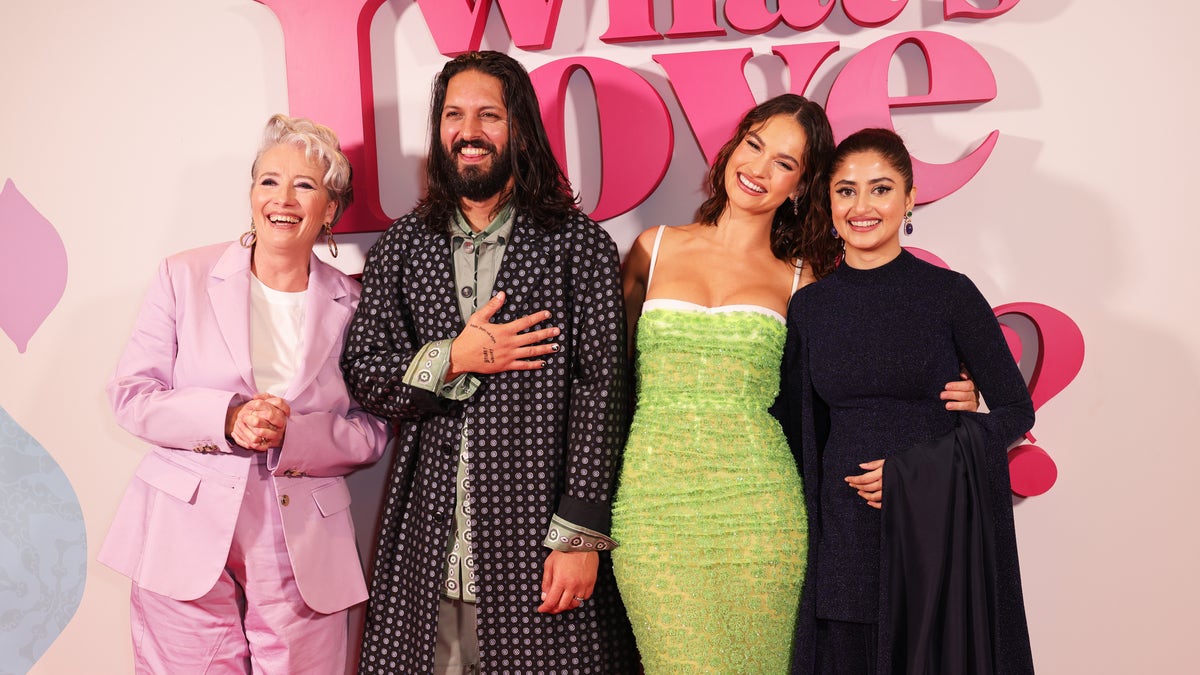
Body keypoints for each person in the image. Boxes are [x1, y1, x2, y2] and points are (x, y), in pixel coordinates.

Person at [609, 97, 979, 673]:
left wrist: (955, 388)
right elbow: (609, 387)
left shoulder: (805, 279)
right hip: (652, 513)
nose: (758, 168)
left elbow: (859, 384)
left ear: (802, 186)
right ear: (732, 149)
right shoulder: (652, 249)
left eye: (785, 162)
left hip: (763, 515)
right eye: (754, 145)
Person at [341, 51, 637, 674]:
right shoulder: (405, 243)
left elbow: (604, 391)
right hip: (428, 543)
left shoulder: (578, 246)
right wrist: (452, 358)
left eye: (487, 115)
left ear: (520, 129)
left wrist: (581, 534)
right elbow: (365, 370)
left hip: (540, 545)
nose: (468, 131)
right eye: (453, 115)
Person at [98, 114, 390, 673]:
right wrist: (227, 417)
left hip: (303, 534)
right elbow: (132, 395)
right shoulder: (183, 275)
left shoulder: (356, 304)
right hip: (183, 524)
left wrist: (296, 434)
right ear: (252, 193)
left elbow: (373, 430)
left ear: (330, 210)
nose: (283, 198)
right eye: (269, 181)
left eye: (305, 185)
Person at [781, 128, 1035, 674]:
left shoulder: (950, 294)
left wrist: (919, 471)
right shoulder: (811, 308)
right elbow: (804, 428)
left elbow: (1016, 410)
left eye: (881, 188)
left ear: (910, 197)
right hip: (846, 534)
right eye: (846, 190)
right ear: (828, 201)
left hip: (934, 533)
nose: (862, 206)